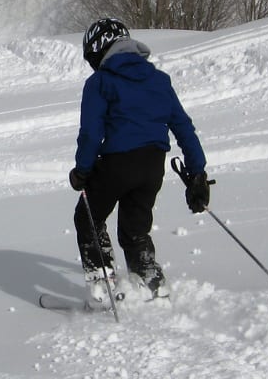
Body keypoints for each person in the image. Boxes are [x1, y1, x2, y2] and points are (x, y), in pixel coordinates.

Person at [68, 18, 211, 304]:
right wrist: (197, 174)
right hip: (152, 167)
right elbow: (183, 126)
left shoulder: (100, 82)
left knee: (88, 218)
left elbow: (91, 133)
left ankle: (104, 286)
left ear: (99, 50)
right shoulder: (158, 80)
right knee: (135, 229)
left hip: (117, 164)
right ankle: (152, 284)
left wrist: (82, 170)